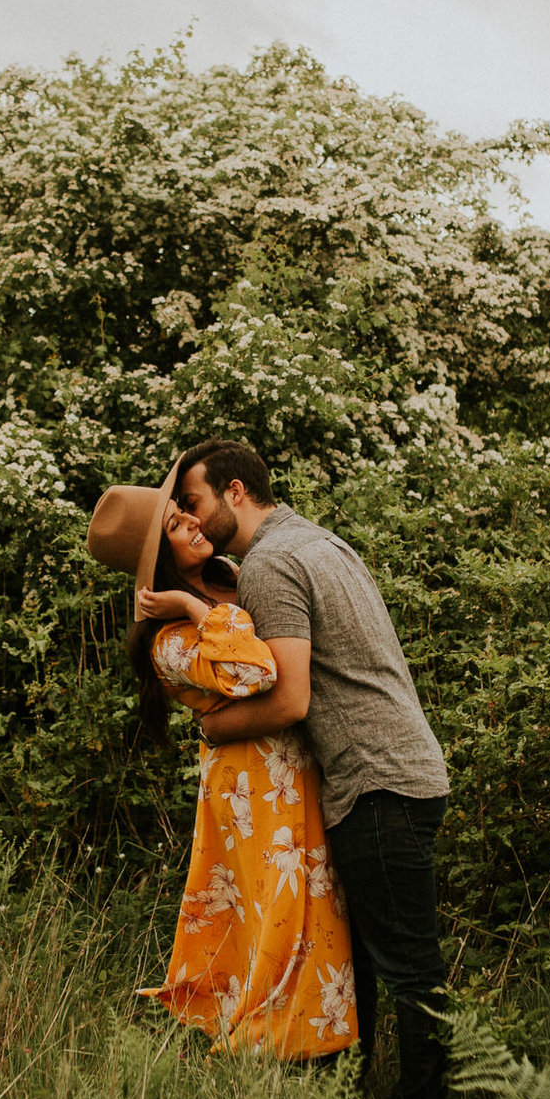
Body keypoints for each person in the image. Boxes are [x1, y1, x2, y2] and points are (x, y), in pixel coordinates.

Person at [171, 438, 455, 1099]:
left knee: (408, 969)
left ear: (235, 491)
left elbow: (291, 697)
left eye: (197, 502)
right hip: (404, 770)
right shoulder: (317, 541)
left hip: (373, 779)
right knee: (375, 962)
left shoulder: (269, 563)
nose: (194, 518)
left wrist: (212, 729)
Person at [86, 453, 357, 1060]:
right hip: (254, 790)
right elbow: (253, 670)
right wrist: (188, 608)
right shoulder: (170, 641)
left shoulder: (236, 578)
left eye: (187, 512)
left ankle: (328, 1046)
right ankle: (279, 1054)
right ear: (159, 559)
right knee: (281, 916)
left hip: (296, 774)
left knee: (320, 913)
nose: (194, 523)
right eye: (178, 526)